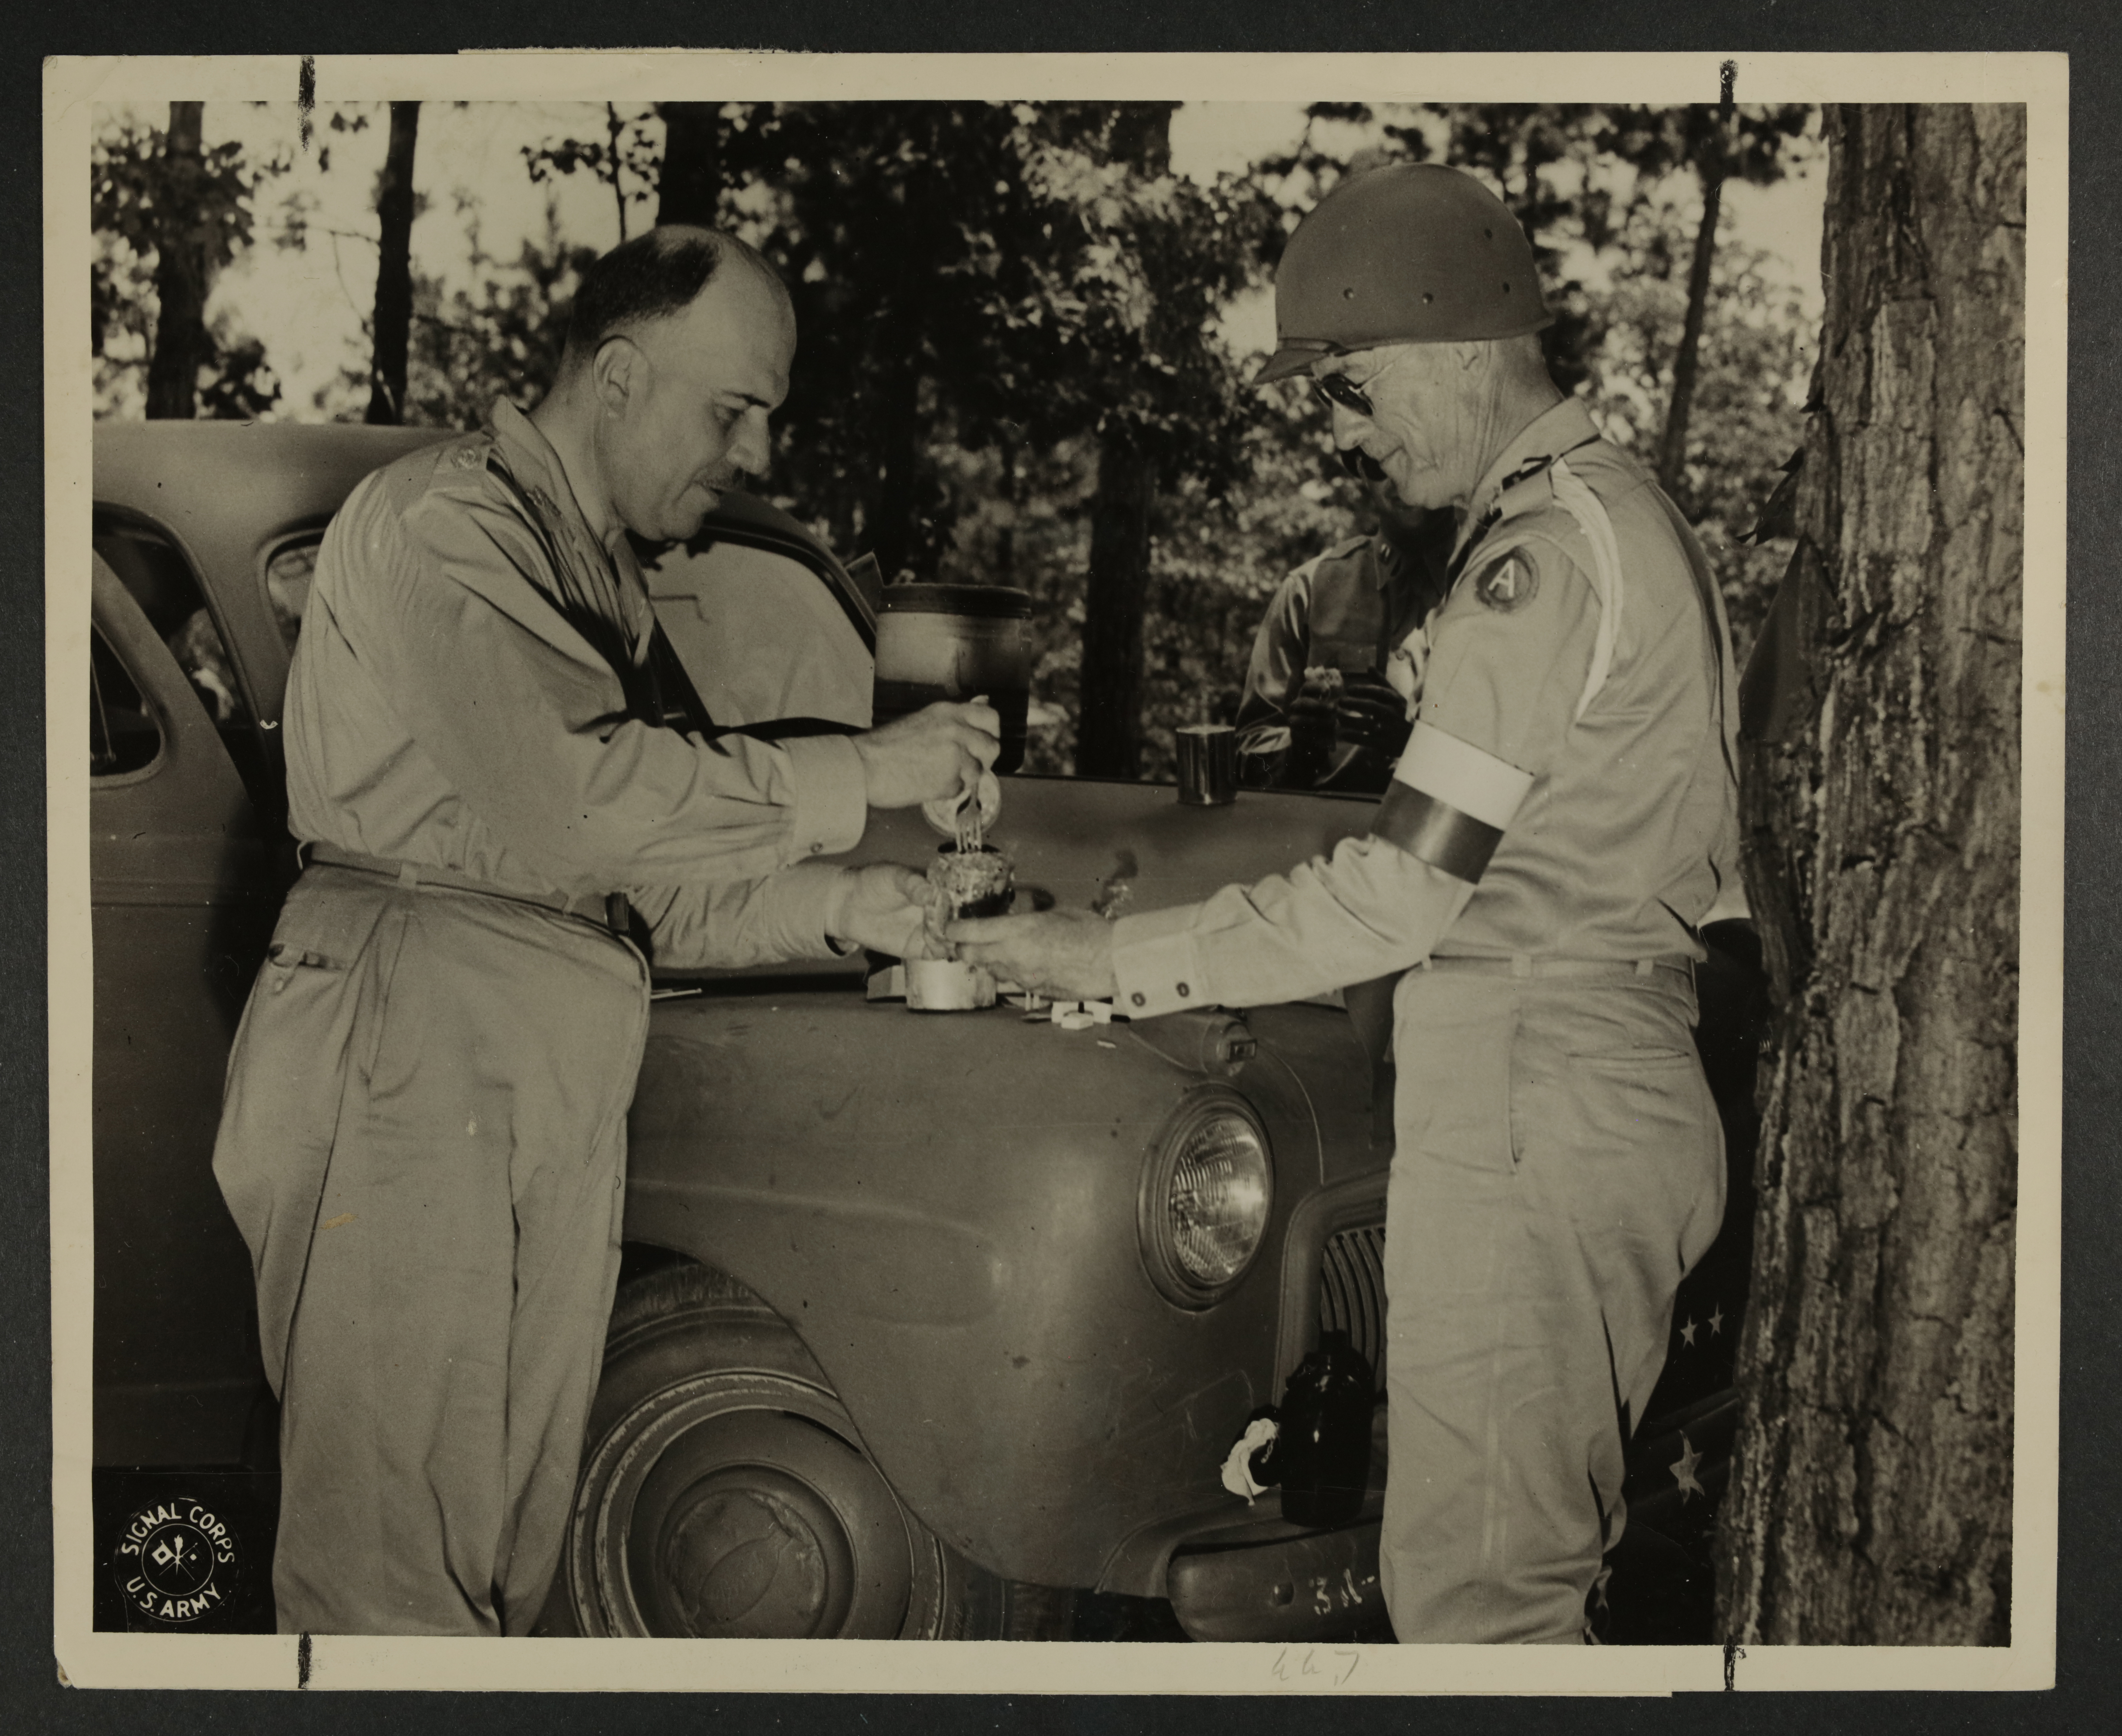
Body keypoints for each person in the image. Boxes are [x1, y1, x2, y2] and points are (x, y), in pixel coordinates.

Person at [952, 163, 1740, 1645]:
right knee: (1528, 1582)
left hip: (1529, 1096)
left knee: (1481, 1614)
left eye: (1355, 381)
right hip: (1613, 1081)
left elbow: (1396, 896)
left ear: (1453, 347)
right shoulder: (1620, 519)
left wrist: (1098, 951)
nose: (1345, 423)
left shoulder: (1537, 558)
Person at [211, 227, 998, 1638]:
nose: (753, 454)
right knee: (393, 1575)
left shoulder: (588, 579)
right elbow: (581, 807)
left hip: (500, 1062)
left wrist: (850, 905)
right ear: (621, 376)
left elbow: (636, 883)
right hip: (415, 1053)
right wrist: (866, 767)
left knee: (498, 1565)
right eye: (733, 409)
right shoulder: (451, 527)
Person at [1233, 487, 1455, 795]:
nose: (1399, 473)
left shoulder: (1490, 591)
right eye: (1379, 457)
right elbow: (1249, 750)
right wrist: (1299, 751)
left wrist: (1417, 747)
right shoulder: (1308, 589)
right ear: (1363, 472)